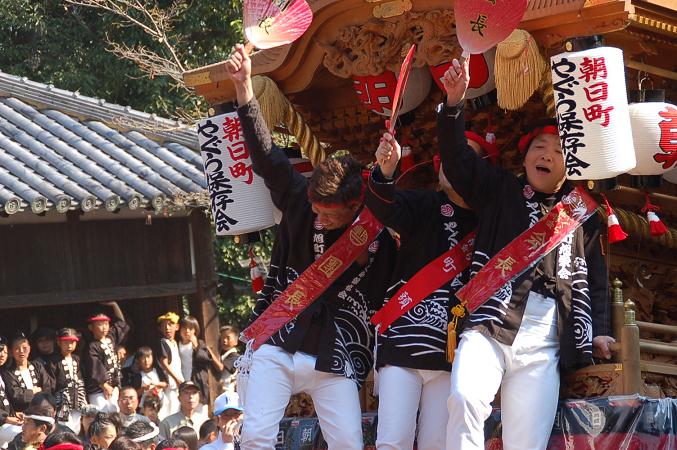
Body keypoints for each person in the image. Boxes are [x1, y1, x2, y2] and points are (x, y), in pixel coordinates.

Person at [439, 57, 616, 450]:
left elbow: (598, 279)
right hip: (491, 322)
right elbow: (458, 161)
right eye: (540, 147)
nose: (548, 155)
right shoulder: (499, 191)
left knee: (527, 442)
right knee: (465, 397)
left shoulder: (582, 214)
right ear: (524, 156)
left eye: (558, 151)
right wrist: (453, 104)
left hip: (547, 337)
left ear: (570, 165)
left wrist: (601, 329)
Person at [225, 43, 396, 450]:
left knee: (349, 444)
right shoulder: (299, 198)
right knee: (256, 436)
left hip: (334, 348)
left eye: (330, 214)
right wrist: (244, 88)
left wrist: (388, 171)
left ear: (354, 206)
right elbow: (266, 156)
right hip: (280, 339)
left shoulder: (375, 230)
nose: (319, 219)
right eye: (315, 210)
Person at [366, 126, 494, 449]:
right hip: (403, 346)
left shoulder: (490, 221)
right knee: (393, 441)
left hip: (450, 355)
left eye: (464, 158)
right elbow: (383, 205)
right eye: (447, 159)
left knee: (436, 444)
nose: (453, 165)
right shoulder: (423, 203)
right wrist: (386, 171)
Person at [83, 302, 130, 413]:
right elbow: (95, 367)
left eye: (106, 324)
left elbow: (121, 324)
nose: (104, 327)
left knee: (115, 414)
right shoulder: (92, 346)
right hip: (98, 390)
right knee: (101, 415)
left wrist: (115, 305)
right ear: (91, 327)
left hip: (113, 386)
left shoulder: (111, 337)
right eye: (100, 324)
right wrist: (104, 385)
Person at [177, 317, 220, 415]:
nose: (187, 331)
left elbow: (205, 359)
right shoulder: (176, 344)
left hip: (197, 382)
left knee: (200, 412)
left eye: (190, 328)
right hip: (182, 381)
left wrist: (196, 346)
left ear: (195, 330)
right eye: (184, 328)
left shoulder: (199, 343)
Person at [2, 332, 53, 413]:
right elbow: (15, 395)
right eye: (17, 348)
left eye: (24, 347)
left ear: (29, 348)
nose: (21, 351)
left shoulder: (37, 366)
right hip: (21, 413)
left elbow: (47, 387)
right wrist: (34, 391)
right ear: (11, 352)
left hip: (41, 411)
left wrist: (29, 394)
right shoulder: (8, 372)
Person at [51, 328, 87, 434]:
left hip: (77, 398)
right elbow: (52, 384)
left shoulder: (77, 359)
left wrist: (83, 398)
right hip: (62, 400)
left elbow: (80, 379)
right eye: (66, 342)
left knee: (77, 426)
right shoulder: (54, 361)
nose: (69, 345)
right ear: (59, 343)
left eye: (72, 342)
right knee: (64, 427)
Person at [122, 348, 167, 414]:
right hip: (145, 407)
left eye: (148, 357)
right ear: (139, 361)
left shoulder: (157, 370)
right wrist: (143, 389)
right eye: (143, 358)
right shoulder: (138, 376)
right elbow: (135, 393)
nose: (146, 360)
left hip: (161, 402)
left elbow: (165, 384)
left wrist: (156, 384)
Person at [156, 313, 182, 420]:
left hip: (177, 385)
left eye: (170, 324)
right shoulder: (163, 342)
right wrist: (176, 379)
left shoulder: (175, 343)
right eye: (164, 325)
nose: (167, 328)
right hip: (170, 385)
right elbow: (164, 363)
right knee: (170, 413)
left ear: (177, 327)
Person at [0, 337, 23, 448]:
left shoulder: (2, 373)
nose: (2, 355)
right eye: (0, 351)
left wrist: (13, 413)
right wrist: (6, 418)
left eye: (5, 352)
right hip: (2, 423)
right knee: (24, 436)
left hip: (4, 422)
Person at [216, 328, 239, 395]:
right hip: (219, 391)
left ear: (236, 342)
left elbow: (221, 368)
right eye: (222, 338)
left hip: (228, 392)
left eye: (228, 338)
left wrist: (210, 353)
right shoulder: (222, 354)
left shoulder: (235, 356)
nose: (224, 340)